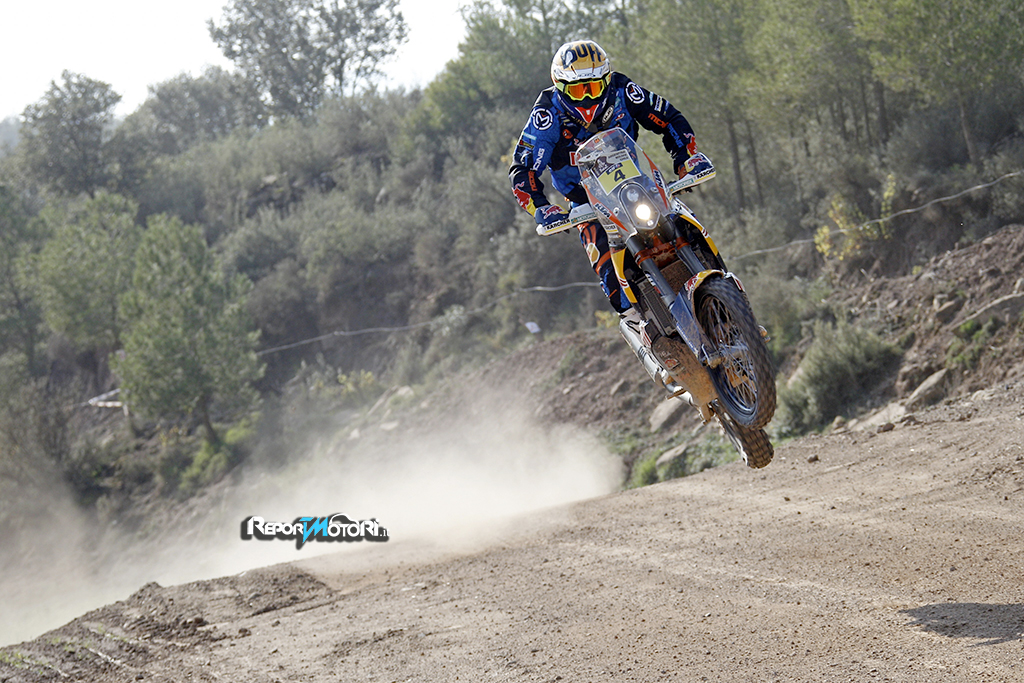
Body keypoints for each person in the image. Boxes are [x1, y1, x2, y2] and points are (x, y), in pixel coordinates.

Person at [508, 39, 711, 341]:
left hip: (638, 182)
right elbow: (522, 168)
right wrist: (542, 208)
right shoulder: (546, 115)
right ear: (561, 87)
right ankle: (637, 324)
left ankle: (728, 293)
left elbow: (669, 117)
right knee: (604, 260)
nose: (588, 97)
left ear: (606, 79)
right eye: (579, 90)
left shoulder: (622, 89)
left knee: (685, 221)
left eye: (594, 86)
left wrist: (685, 157)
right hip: (585, 199)